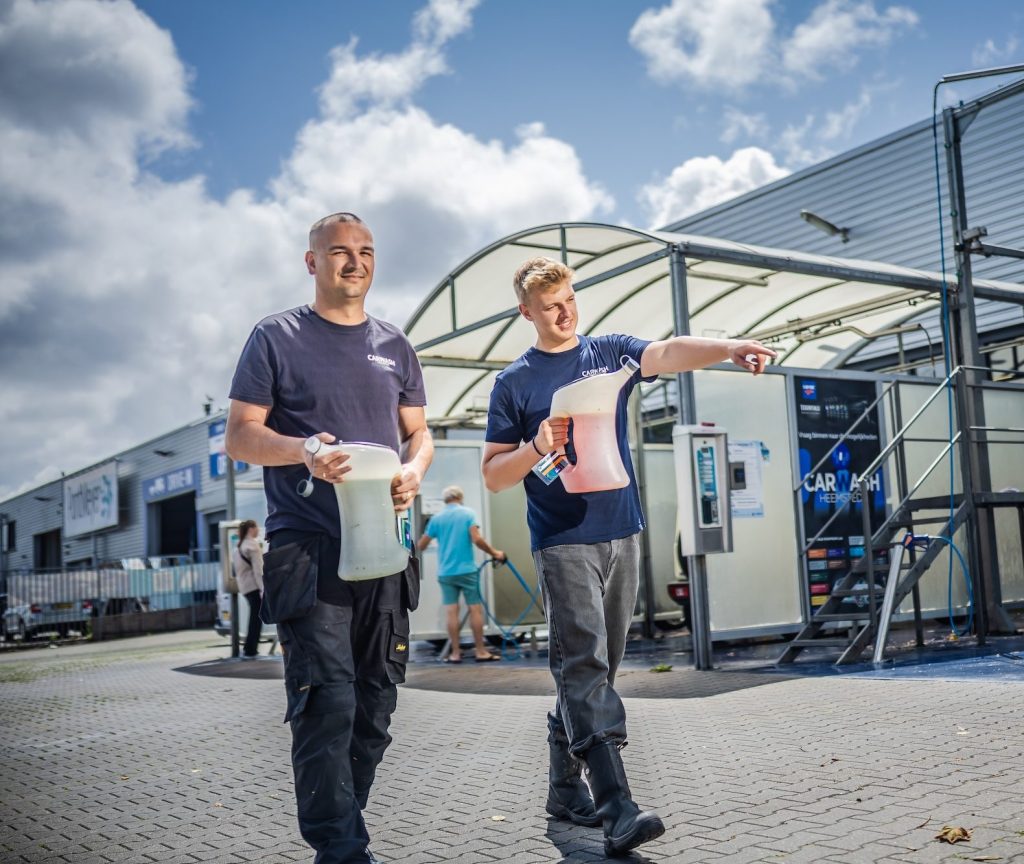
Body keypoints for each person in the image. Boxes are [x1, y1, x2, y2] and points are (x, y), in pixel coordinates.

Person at [481, 257, 776, 856]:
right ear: (526, 312)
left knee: (598, 670)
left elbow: (666, 352)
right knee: (584, 666)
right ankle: (617, 807)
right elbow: (493, 474)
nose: (565, 312)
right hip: (562, 540)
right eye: (550, 306)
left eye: (569, 299)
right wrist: (535, 445)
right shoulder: (514, 383)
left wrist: (728, 348)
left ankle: (565, 791)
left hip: (623, 531)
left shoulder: (608, 351)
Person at [225, 211, 433, 864]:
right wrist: (304, 450)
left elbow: (420, 434)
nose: (355, 262)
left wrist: (414, 471)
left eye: (365, 251)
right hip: (309, 550)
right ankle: (342, 850)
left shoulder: (396, 344)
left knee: (374, 706)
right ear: (312, 262)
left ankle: (343, 833)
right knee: (328, 704)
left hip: (387, 546)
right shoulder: (275, 337)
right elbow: (240, 435)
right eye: (339, 251)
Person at [415, 485, 505, 663]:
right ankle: (480, 651)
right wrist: (495, 553)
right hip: (467, 570)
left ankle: (455, 653)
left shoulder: (437, 519)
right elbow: (477, 539)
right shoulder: (468, 513)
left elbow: (421, 545)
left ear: (445, 500)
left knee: (451, 612)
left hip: (446, 572)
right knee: (475, 609)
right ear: (460, 497)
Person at [232, 519, 264, 659]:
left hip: (245, 587)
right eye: (257, 527)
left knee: (254, 617)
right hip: (254, 586)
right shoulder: (252, 546)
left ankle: (249, 648)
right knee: (256, 619)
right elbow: (258, 571)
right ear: (251, 529)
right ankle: (251, 650)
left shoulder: (239, 547)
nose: (258, 530)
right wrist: (263, 588)